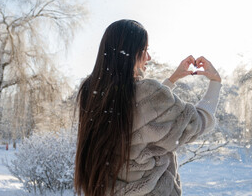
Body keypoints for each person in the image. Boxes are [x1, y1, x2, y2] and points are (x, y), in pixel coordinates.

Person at [74, 19, 222, 196]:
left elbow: (138, 113)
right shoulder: (147, 92)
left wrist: (171, 81)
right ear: (129, 53)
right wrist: (215, 82)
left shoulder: (91, 91)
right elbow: (196, 124)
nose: (149, 58)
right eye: (144, 50)